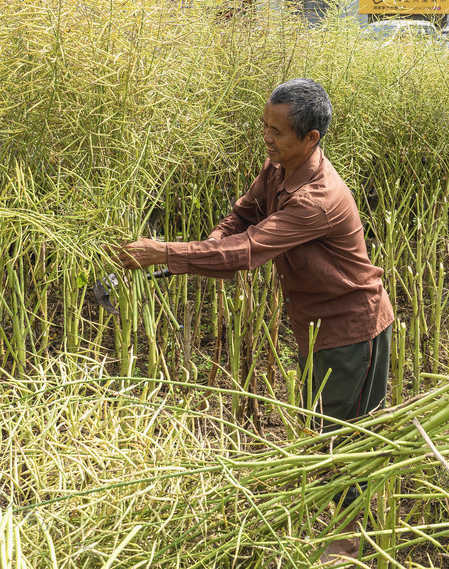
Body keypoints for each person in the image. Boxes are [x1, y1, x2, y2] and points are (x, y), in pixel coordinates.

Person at [112, 77, 394, 564]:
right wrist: (207, 246)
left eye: (278, 133)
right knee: (319, 425)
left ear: (311, 139)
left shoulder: (317, 200)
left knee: (345, 438)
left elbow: (245, 252)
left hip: (351, 329)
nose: (267, 139)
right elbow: (241, 218)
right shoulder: (278, 168)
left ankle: (347, 545)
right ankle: (327, 517)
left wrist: (167, 253)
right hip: (312, 325)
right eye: (264, 127)